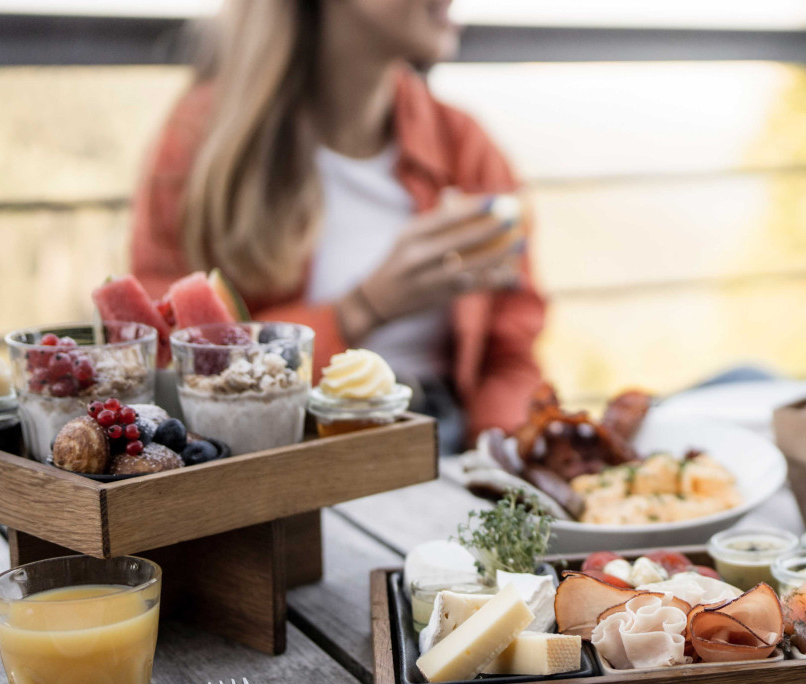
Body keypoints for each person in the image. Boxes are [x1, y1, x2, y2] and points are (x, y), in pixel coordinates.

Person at [128, 0, 544, 447]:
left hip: (446, 443)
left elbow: (513, 353)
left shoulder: (466, 145)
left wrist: (496, 469)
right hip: (283, 451)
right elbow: (171, 367)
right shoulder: (202, 142)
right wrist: (364, 307)